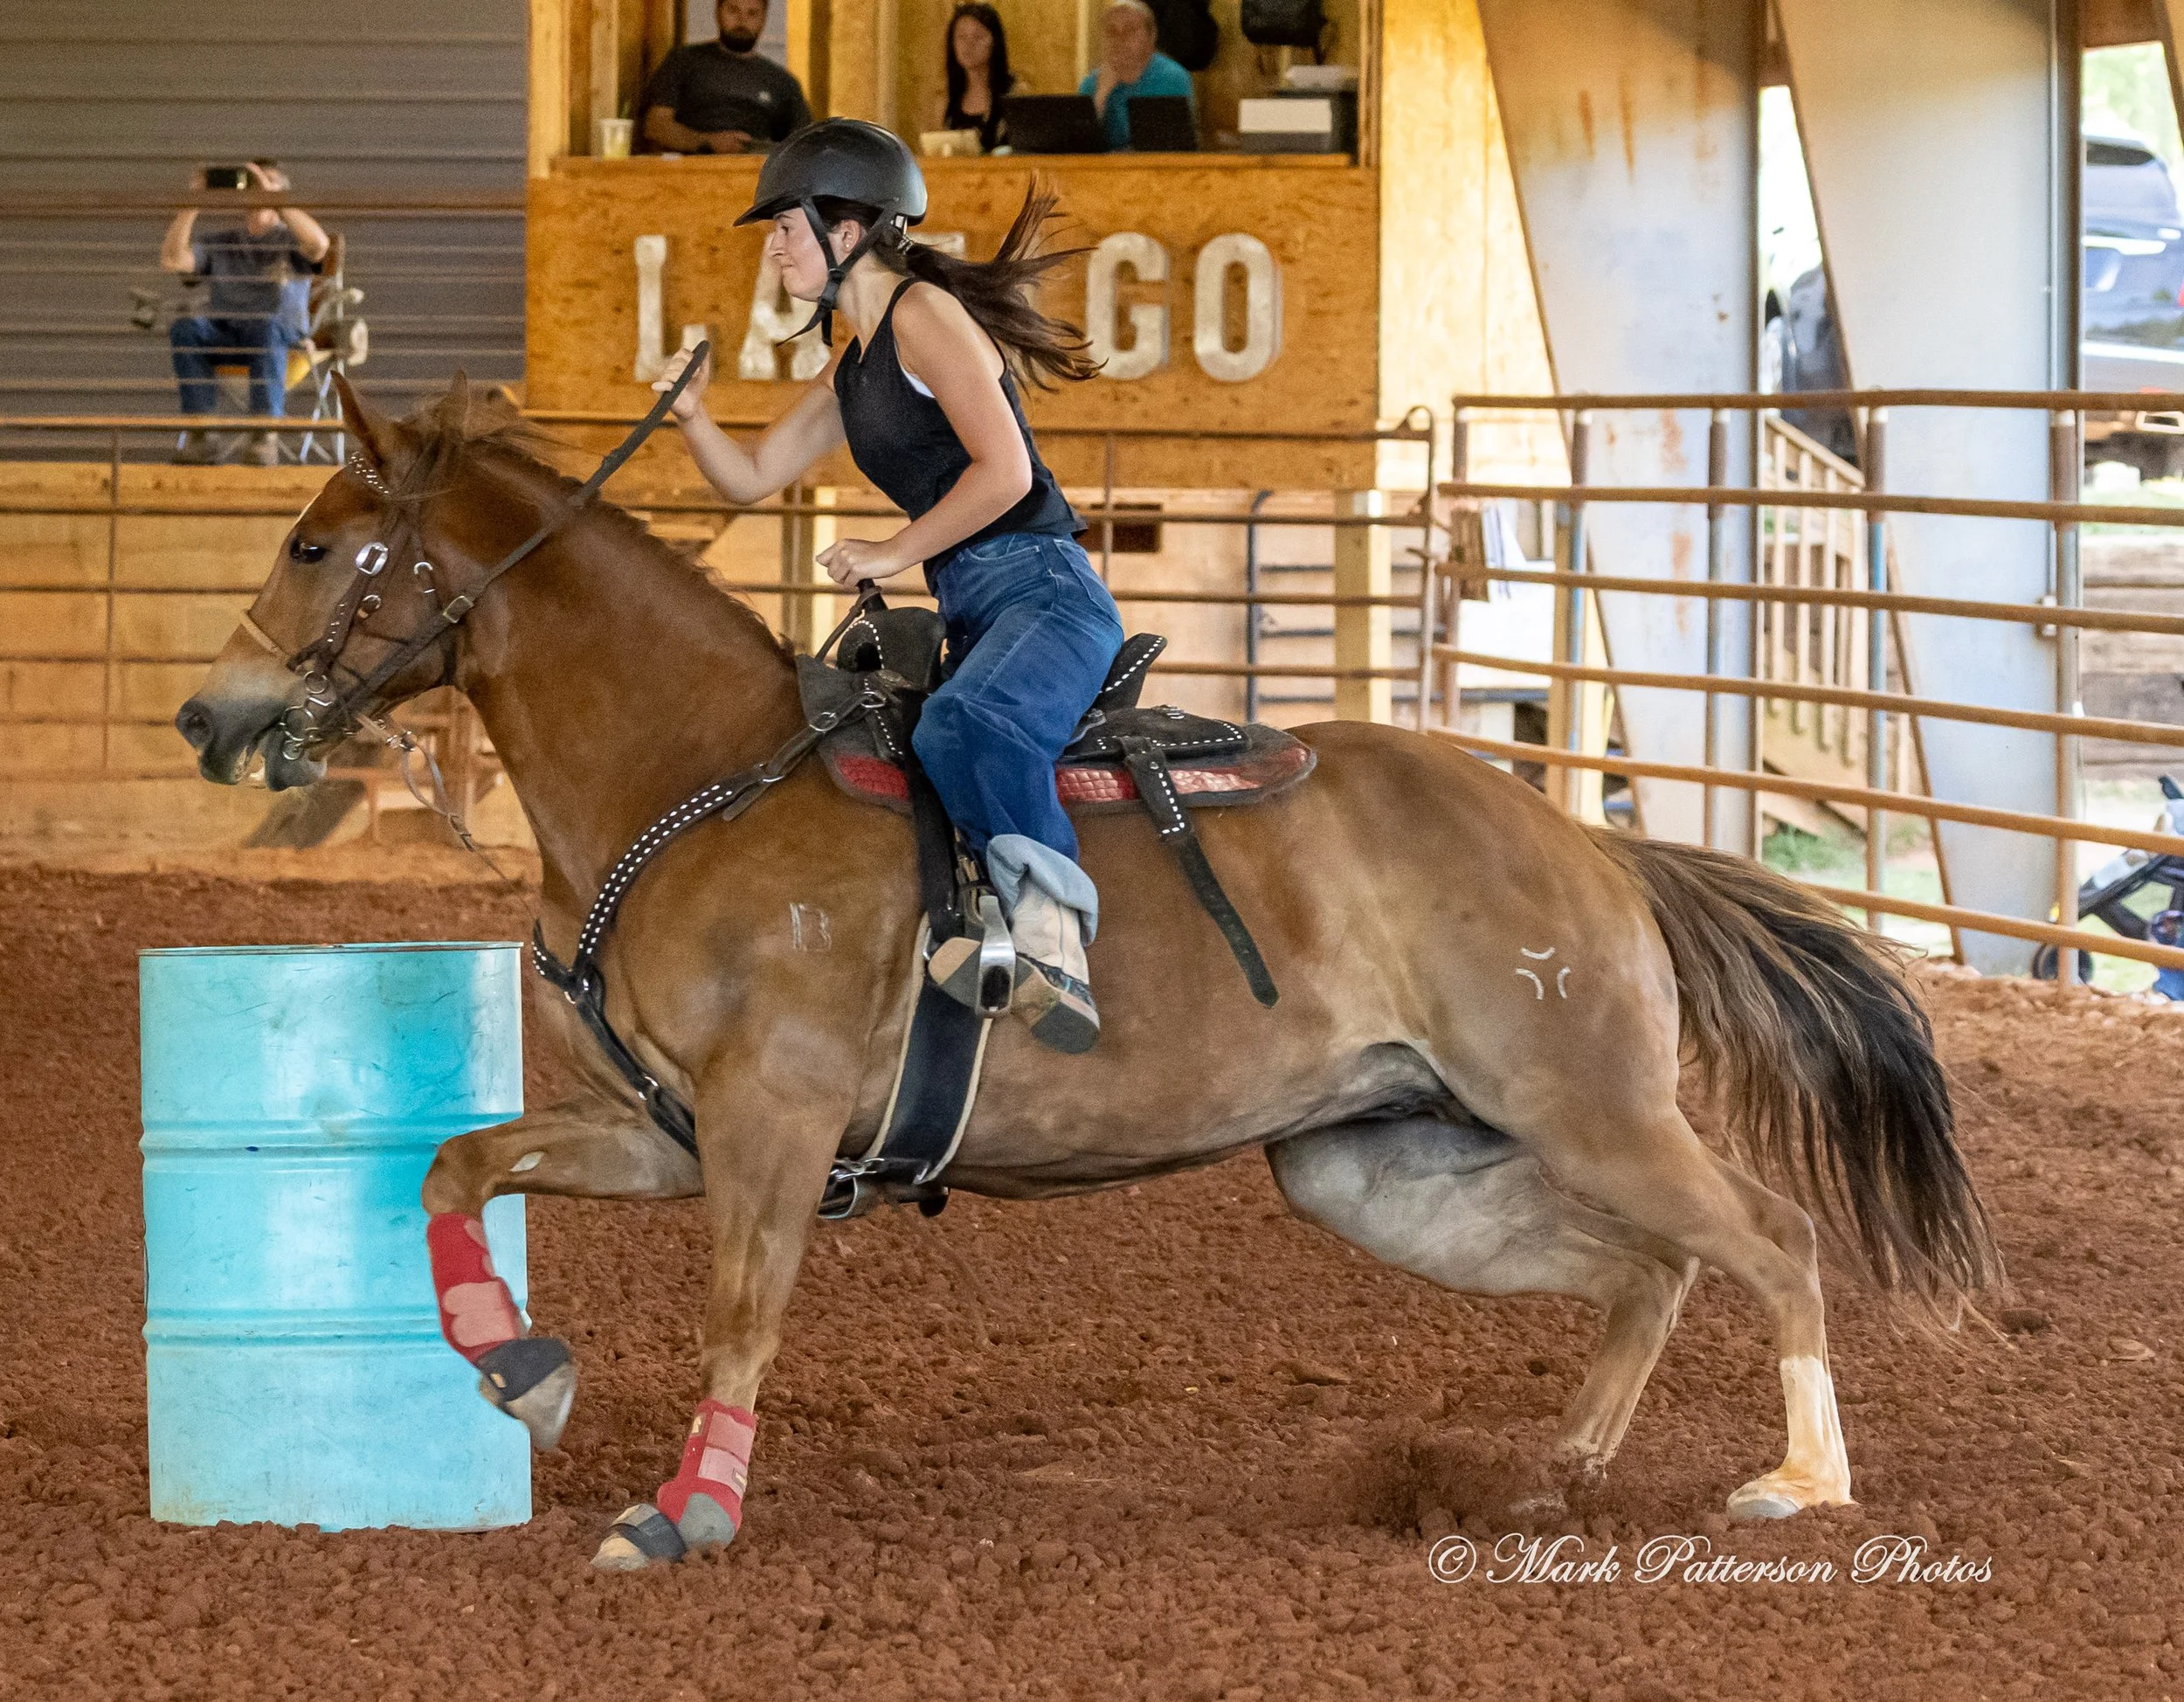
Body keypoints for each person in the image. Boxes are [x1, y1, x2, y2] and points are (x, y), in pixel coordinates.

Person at [654, 121, 1123, 1053]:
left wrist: (890, 551)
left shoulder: (923, 317)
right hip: (981, 604)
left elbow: (1007, 477)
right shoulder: (856, 357)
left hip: (1045, 593)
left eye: (785, 225)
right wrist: (692, 418)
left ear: (849, 226)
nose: (774, 245)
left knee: (964, 724)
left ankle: (1055, 943)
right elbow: (752, 477)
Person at [159, 160, 328, 466]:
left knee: (266, 328)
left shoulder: (292, 241)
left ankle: (264, 434)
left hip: (278, 337)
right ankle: (202, 433)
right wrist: (192, 204)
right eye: (253, 184)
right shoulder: (224, 242)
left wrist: (274, 198)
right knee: (186, 328)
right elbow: (173, 260)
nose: (259, 189)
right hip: (226, 332)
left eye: (268, 183)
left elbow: (319, 246)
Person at [641, 0, 812, 156]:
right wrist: (707, 142)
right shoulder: (683, 60)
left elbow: (805, 144)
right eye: (733, 10)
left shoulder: (783, 81)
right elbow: (656, 126)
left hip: (758, 173)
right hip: (690, 170)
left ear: (764, 18)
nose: (742, 20)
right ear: (718, 11)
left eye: (752, 13)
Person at [1078, 0, 1195, 152]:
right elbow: (1078, 148)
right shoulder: (1091, 83)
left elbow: (1168, 145)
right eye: (1111, 31)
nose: (1120, 39)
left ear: (1152, 36)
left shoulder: (1172, 78)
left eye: (1130, 30)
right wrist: (1101, 94)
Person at [939, 3, 1018, 153]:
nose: (968, 45)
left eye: (978, 36)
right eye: (961, 37)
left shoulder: (1015, 93)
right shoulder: (944, 98)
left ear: (994, 42)